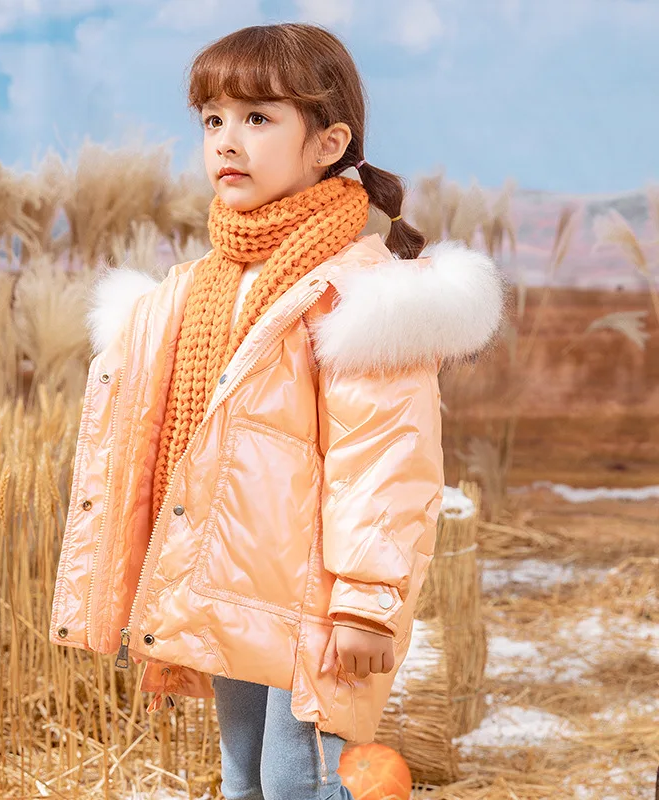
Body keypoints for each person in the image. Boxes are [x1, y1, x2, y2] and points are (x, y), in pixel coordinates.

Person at [50, 22, 507, 800]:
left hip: (312, 598)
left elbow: (385, 459)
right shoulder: (198, 291)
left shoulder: (359, 296)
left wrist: (366, 601)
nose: (228, 140)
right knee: (243, 778)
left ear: (328, 142)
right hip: (228, 581)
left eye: (258, 118)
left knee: (297, 779)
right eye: (213, 119)